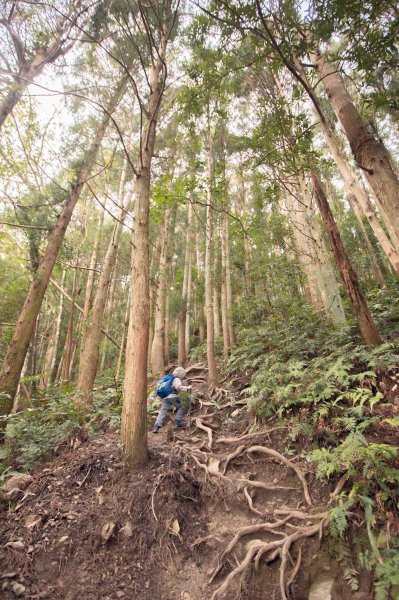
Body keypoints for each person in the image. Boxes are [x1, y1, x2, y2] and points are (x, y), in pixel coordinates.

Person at [152, 366, 191, 433]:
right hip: (172, 396)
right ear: (181, 374)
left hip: (164, 397)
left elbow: (158, 386)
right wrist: (187, 388)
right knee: (182, 407)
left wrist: (153, 396)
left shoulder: (166, 378)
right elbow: (178, 387)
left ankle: (156, 427)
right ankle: (177, 422)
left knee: (162, 411)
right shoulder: (176, 379)